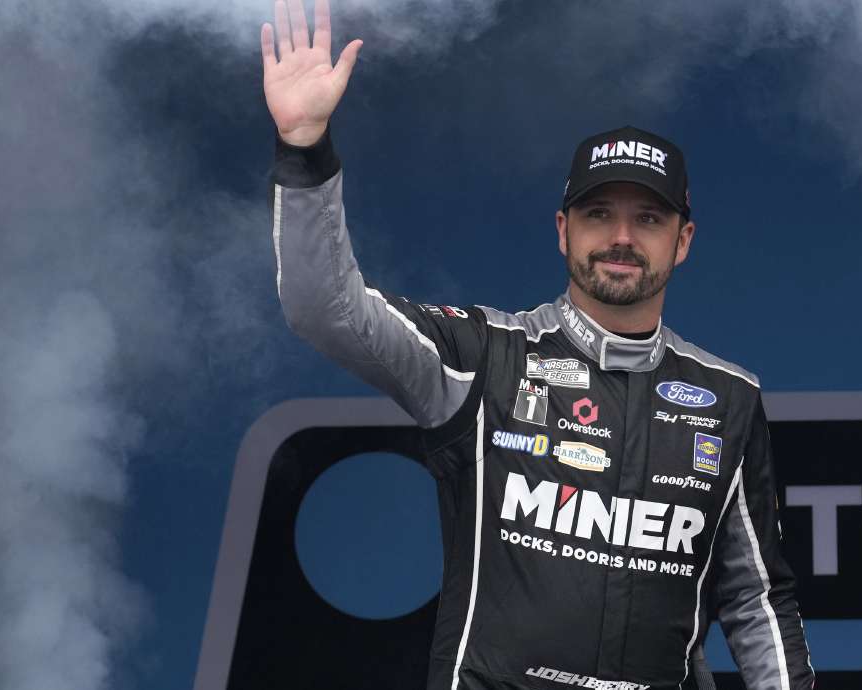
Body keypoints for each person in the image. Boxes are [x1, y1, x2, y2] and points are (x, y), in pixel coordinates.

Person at [260, 1, 814, 688]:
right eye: (597, 214)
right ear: (562, 230)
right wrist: (305, 148)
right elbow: (325, 309)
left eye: (647, 217)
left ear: (684, 240)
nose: (620, 238)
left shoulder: (729, 400)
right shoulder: (483, 356)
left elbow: (756, 600)